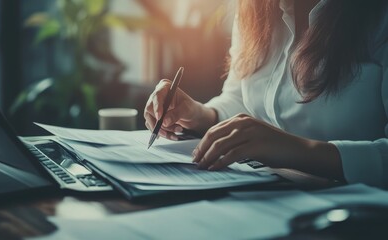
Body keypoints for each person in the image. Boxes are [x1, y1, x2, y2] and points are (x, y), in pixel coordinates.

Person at [144, 0, 388, 188]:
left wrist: (299, 151)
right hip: (265, 194)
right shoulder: (255, 9)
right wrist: (201, 114)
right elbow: (242, 99)